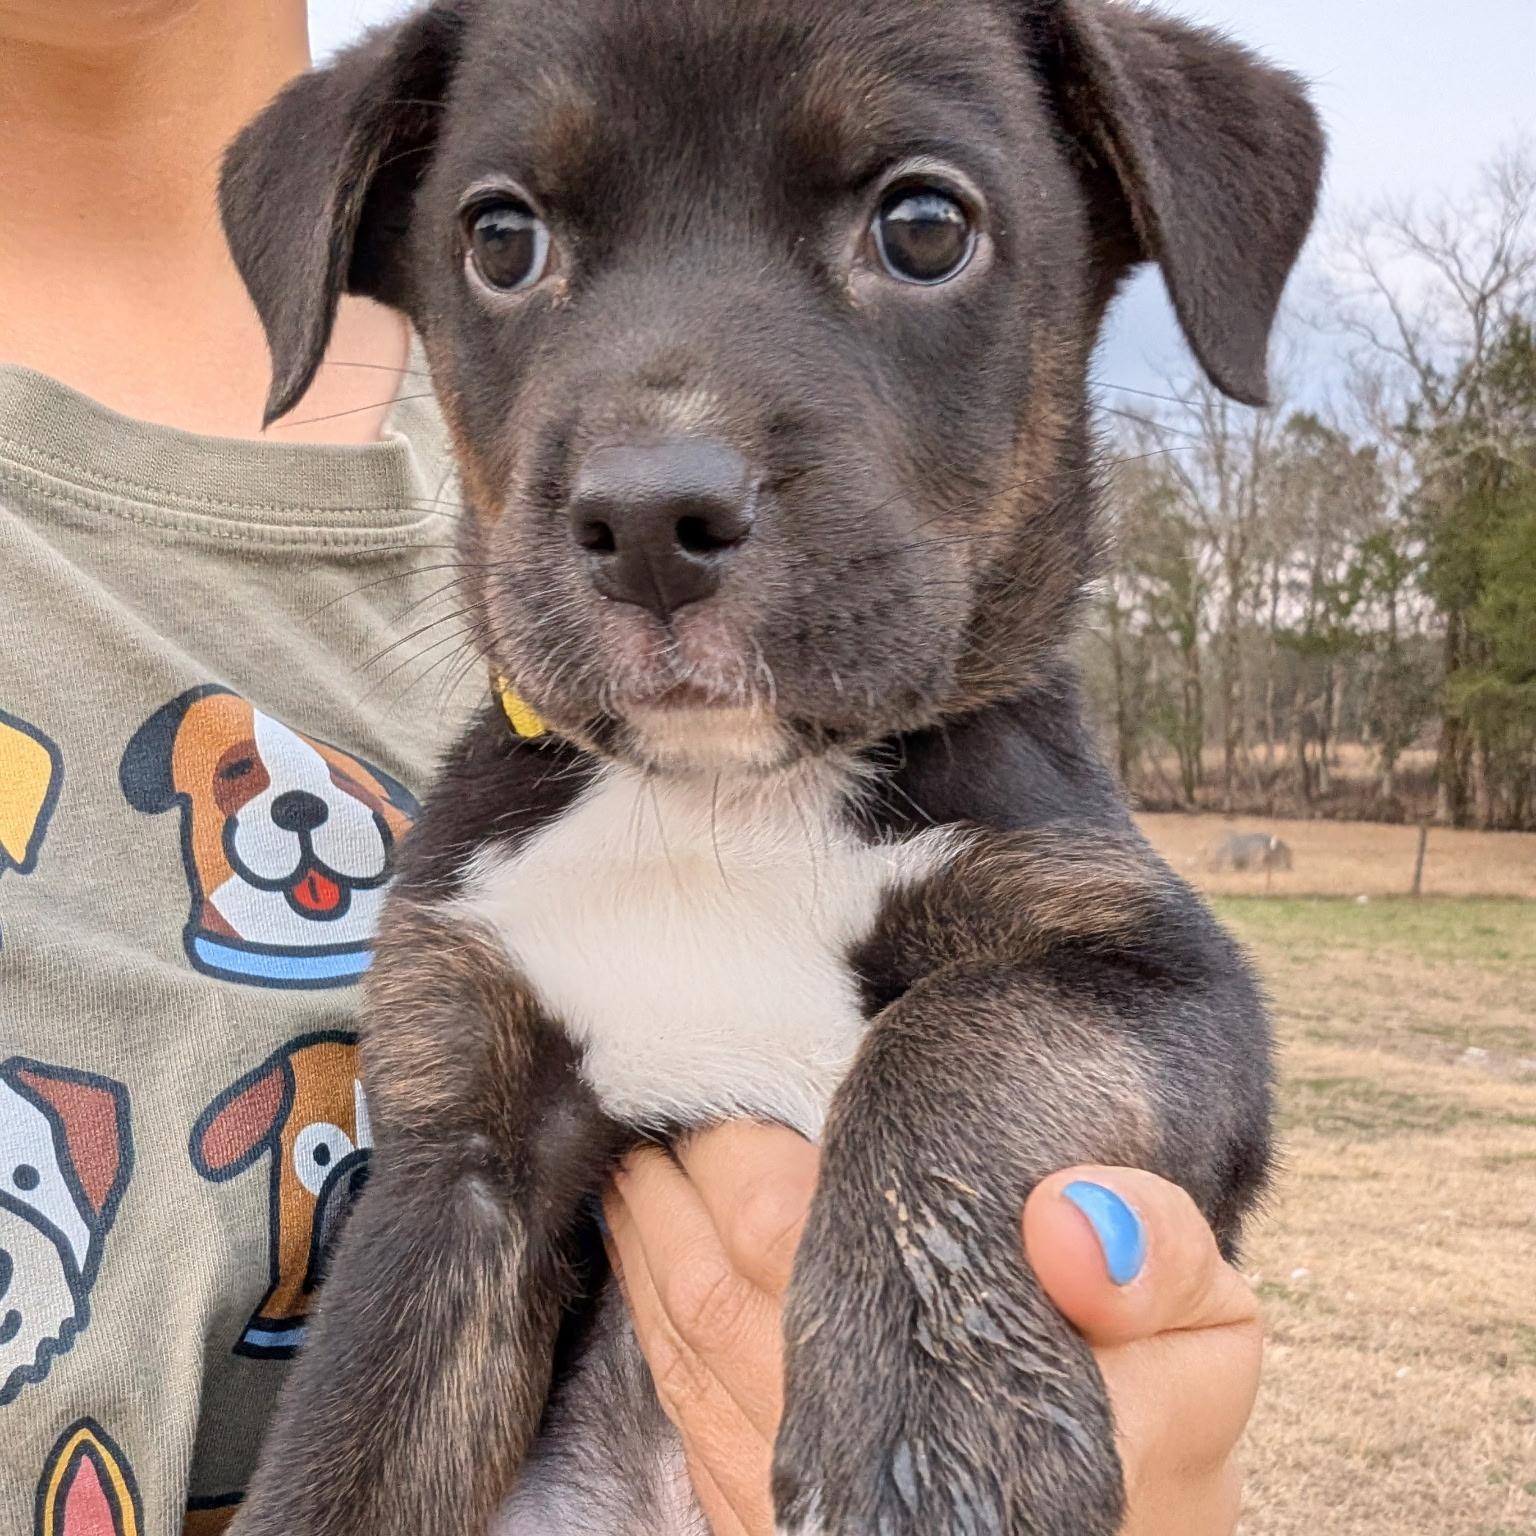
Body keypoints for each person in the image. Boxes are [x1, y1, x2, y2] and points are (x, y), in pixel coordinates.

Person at [0, 3, 1260, 1531]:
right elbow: (416, 1346)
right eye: (510, 243)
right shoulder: (492, 870)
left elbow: (1167, 1015)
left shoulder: (1017, 841)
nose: (660, 470)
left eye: (918, 226)